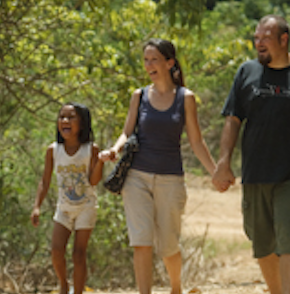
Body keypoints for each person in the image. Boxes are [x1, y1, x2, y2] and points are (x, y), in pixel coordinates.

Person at [210, 14, 290, 294]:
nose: (259, 43)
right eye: (256, 38)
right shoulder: (246, 72)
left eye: (266, 38)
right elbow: (232, 120)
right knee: (261, 242)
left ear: (284, 39)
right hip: (255, 173)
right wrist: (223, 162)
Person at [99, 38, 217, 294]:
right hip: (136, 178)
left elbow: (196, 141)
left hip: (170, 179)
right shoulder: (138, 96)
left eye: (154, 59)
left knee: (168, 245)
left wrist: (215, 173)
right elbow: (127, 132)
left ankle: (176, 288)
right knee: (141, 242)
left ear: (169, 62)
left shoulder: (185, 98)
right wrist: (114, 150)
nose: (148, 65)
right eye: (145, 60)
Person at [31, 102, 104, 294]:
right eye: (62, 117)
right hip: (63, 208)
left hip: (86, 207)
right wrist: (36, 206)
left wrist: (100, 163)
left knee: (79, 254)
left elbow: (94, 181)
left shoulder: (90, 149)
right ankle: (63, 284)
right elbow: (45, 181)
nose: (65, 121)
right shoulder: (53, 150)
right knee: (57, 251)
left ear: (82, 123)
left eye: (71, 117)